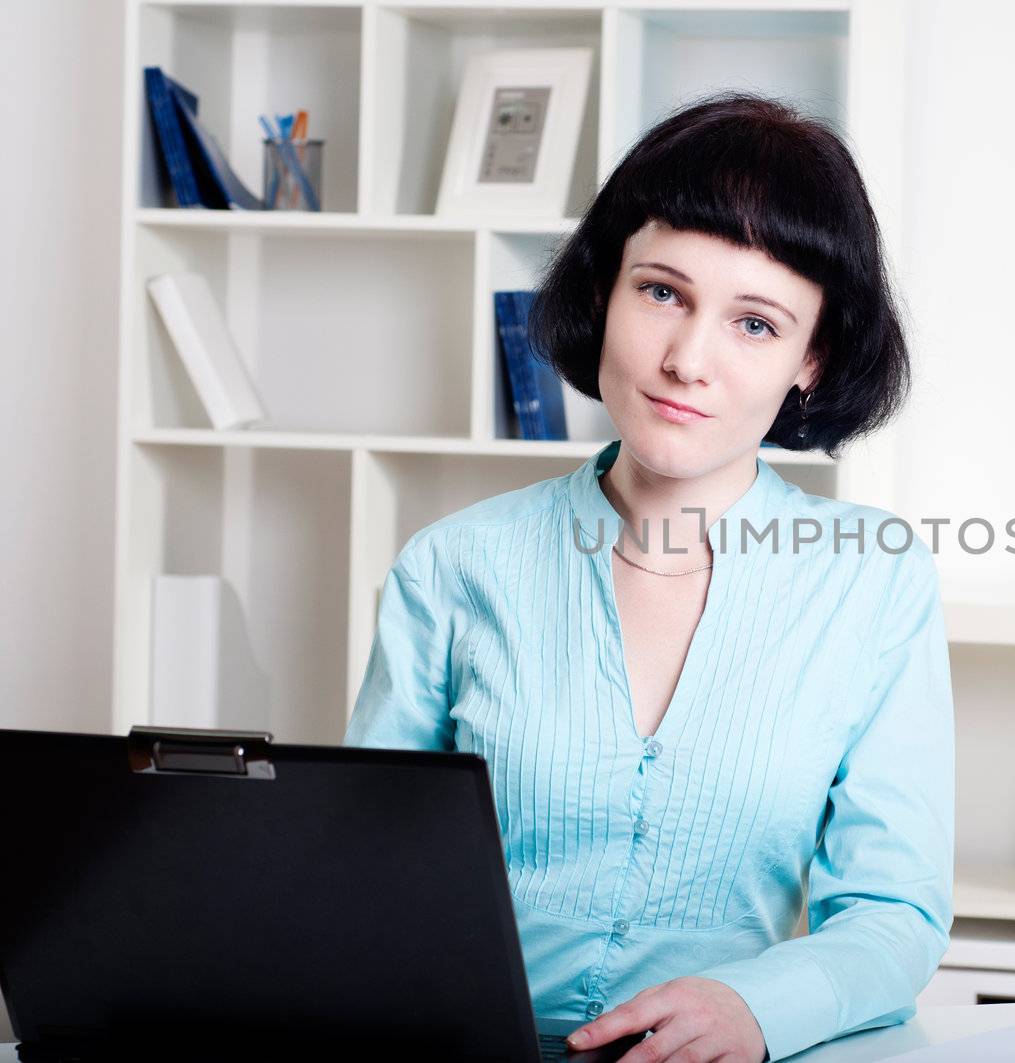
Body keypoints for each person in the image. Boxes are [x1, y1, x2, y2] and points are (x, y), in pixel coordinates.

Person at [345, 90, 954, 1063]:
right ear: (605, 290)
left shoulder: (872, 584)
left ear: (812, 356)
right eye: (662, 292)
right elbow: (364, 870)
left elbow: (893, 911)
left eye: (754, 323)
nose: (684, 360)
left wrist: (753, 1006)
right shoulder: (453, 567)